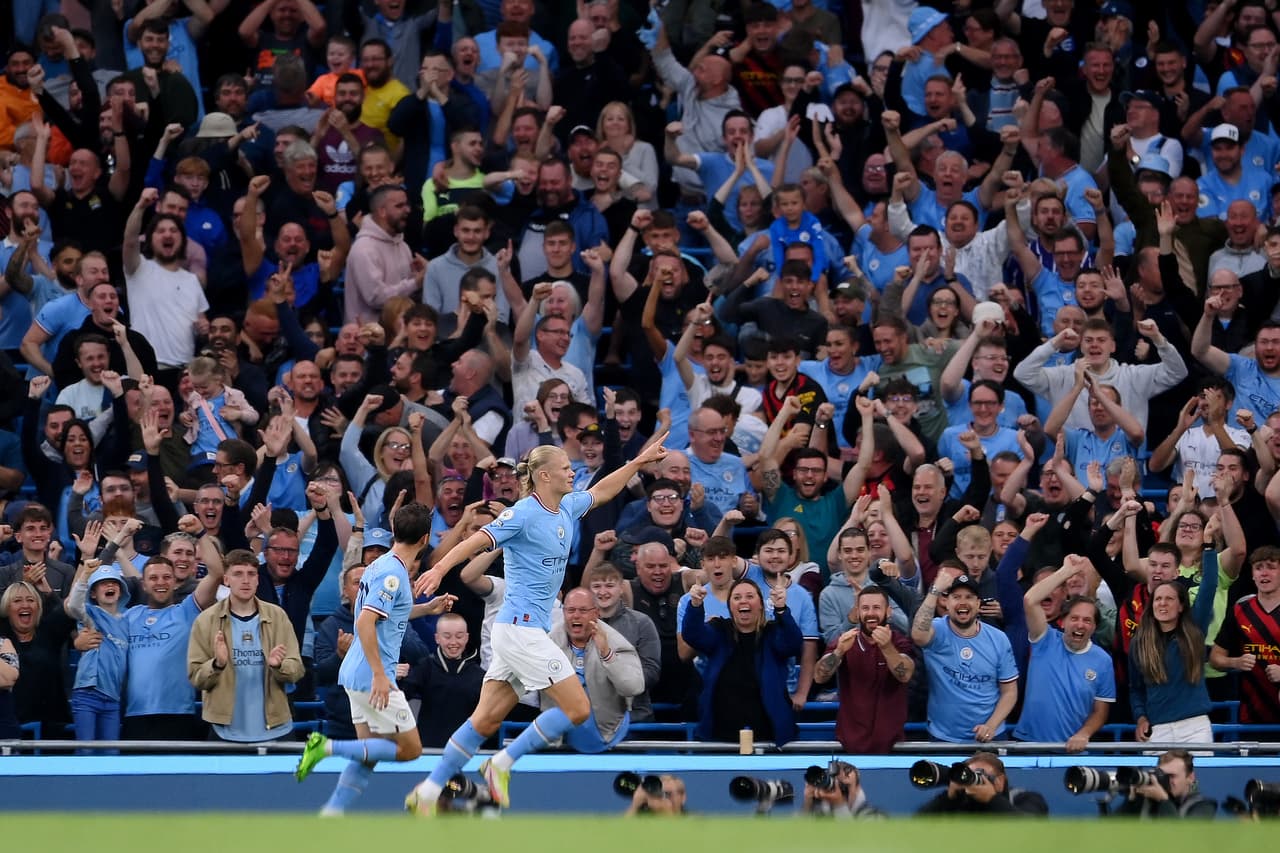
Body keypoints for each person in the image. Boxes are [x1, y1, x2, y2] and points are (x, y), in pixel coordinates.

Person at [405, 437, 669, 813]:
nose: (572, 472)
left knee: (485, 719)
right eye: (565, 468)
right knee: (577, 710)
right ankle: (500, 764)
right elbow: (476, 541)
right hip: (520, 631)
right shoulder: (523, 514)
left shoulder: (565, 507)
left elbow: (603, 490)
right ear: (545, 476)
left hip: (523, 632)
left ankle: (428, 790)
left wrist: (640, 460)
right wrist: (437, 568)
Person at [294, 503, 446, 815]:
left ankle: (332, 814)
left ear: (395, 533)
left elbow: (387, 615)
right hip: (372, 674)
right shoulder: (392, 573)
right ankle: (326, 746)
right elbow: (364, 621)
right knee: (410, 749)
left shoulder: (381, 564)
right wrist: (379, 675)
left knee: (369, 754)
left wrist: (427, 609)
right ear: (425, 538)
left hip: (356, 671)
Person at [187, 549, 304, 743]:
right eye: (238, 574)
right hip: (225, 729)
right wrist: (217, 664)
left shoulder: (277, 616)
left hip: (276, 727)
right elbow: (196, 677)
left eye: (251, 574)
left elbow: (297, 668)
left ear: (258, 579)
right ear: (226, 580)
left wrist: (278, 666)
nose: (246, 580)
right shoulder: (206, 620)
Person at [681, 577, 803, 745]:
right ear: (730, 606)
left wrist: (781, 609)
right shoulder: (719, 630)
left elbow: (793, 644)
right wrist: (695, 605)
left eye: (750, 596)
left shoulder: (773, 632)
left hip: (768, 735)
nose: (743, 601)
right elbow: (693, 635)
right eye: (737, 597)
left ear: (761, 604)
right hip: (720, 734)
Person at [1013, 556, 1115, 750]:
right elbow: (1030, 599)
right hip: (1028, 745)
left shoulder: (1103, 660)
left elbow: (1100, 712)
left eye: (1087, 620)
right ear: (1063, 621)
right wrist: (1065, 572)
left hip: (1071, 749)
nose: (1080, 624)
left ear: (1094, 626)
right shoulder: (1045, 640)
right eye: (1074, 618)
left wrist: (1084, 734)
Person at [911, 567, 1019, 744]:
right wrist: (935, 591)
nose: (963, 602)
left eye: (969, 597)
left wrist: (991, 726)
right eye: (956, 597)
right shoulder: (937, 630)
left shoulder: (998, 639)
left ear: (978, 604)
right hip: (943, 737)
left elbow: (1009, 692)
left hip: (990, 737)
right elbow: (918, 634)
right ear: (946, 602)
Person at [814, 585, 914, 754]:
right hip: (850, 744)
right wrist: (839, 652)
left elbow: (905, 675)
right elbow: (819, 677)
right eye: (865, 608)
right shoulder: (846, 641)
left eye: (877, 608)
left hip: (892, 744)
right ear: (858, 612)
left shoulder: (899, 642)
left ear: (888, 611)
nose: (871, 613)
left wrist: (887, 647)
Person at [544, 588, 644, 752]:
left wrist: (607, 654)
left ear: (596, 613)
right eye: (570, 610)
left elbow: (634, 687)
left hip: (606, 732)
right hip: (558, 736)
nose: (576, 615)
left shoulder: (614, 642)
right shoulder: (549, 642)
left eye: (583, 610)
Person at [1210, 546, 1280, 725]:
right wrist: (1235, 662)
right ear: (1252, 575)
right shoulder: (1240, 609)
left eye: (1271, 567)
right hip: (1250, 716)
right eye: (1259, 568)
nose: (1264, 573)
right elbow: (1215, 658)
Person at [916, 751, 1048, 815]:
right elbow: (916, 830)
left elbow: (1031, 828)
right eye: (969, 775)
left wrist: (992, 799)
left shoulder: (1025, 798)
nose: (973, 782)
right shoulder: (960, 803)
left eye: (980, 774)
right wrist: (948, 799)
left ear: (1000, 781)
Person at [1108, 750, 1218, 818]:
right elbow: (1115, 833)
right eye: (1161, 775)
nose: (1166, 780)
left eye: (1172, 776)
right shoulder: (1149, 800)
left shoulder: (1203, 806)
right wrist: (1131, 801)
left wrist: (1164, 800)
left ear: (1190, 777)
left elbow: (1184, 840)